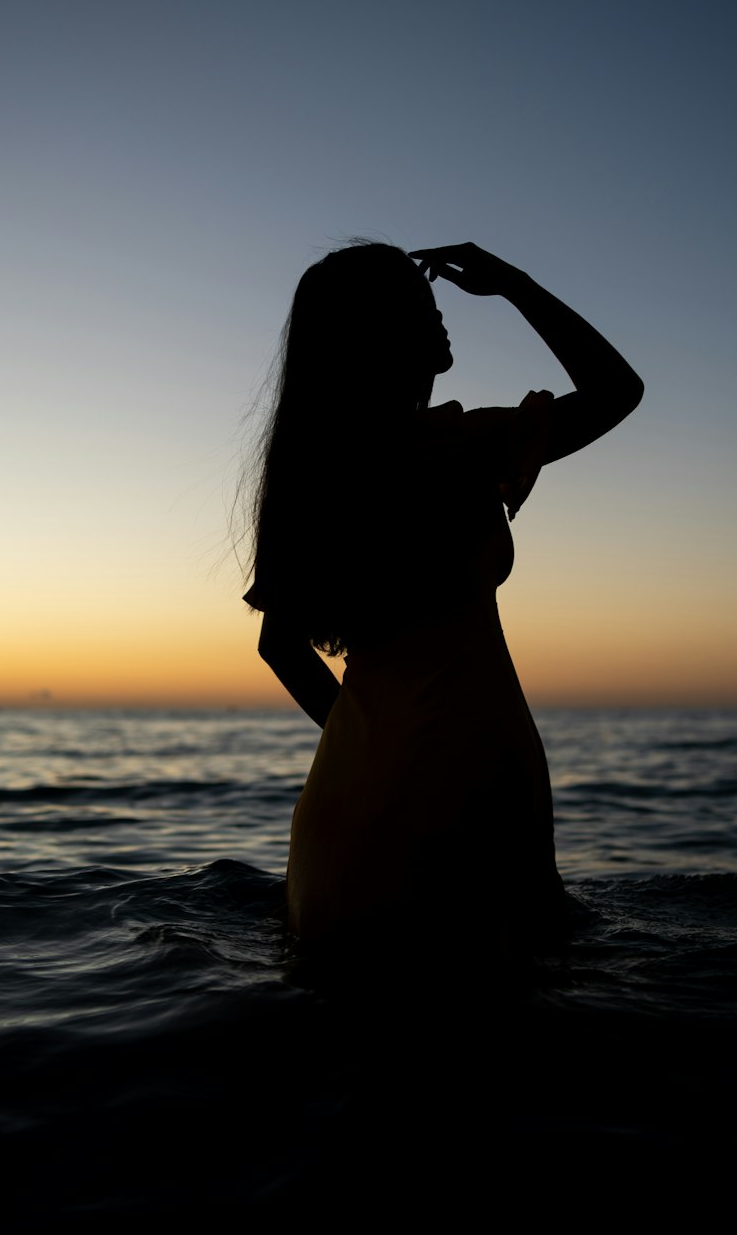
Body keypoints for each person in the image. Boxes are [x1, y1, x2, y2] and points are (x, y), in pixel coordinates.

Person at [243, 241, 642, 960]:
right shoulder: (462, 445)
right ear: (387, 332)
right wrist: (514, 283)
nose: (441, 310)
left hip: (341, 826)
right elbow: (618, 389)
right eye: (421, 301)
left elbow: (279, 643)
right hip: (457, 818)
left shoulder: (320, 477)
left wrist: (376, 737)